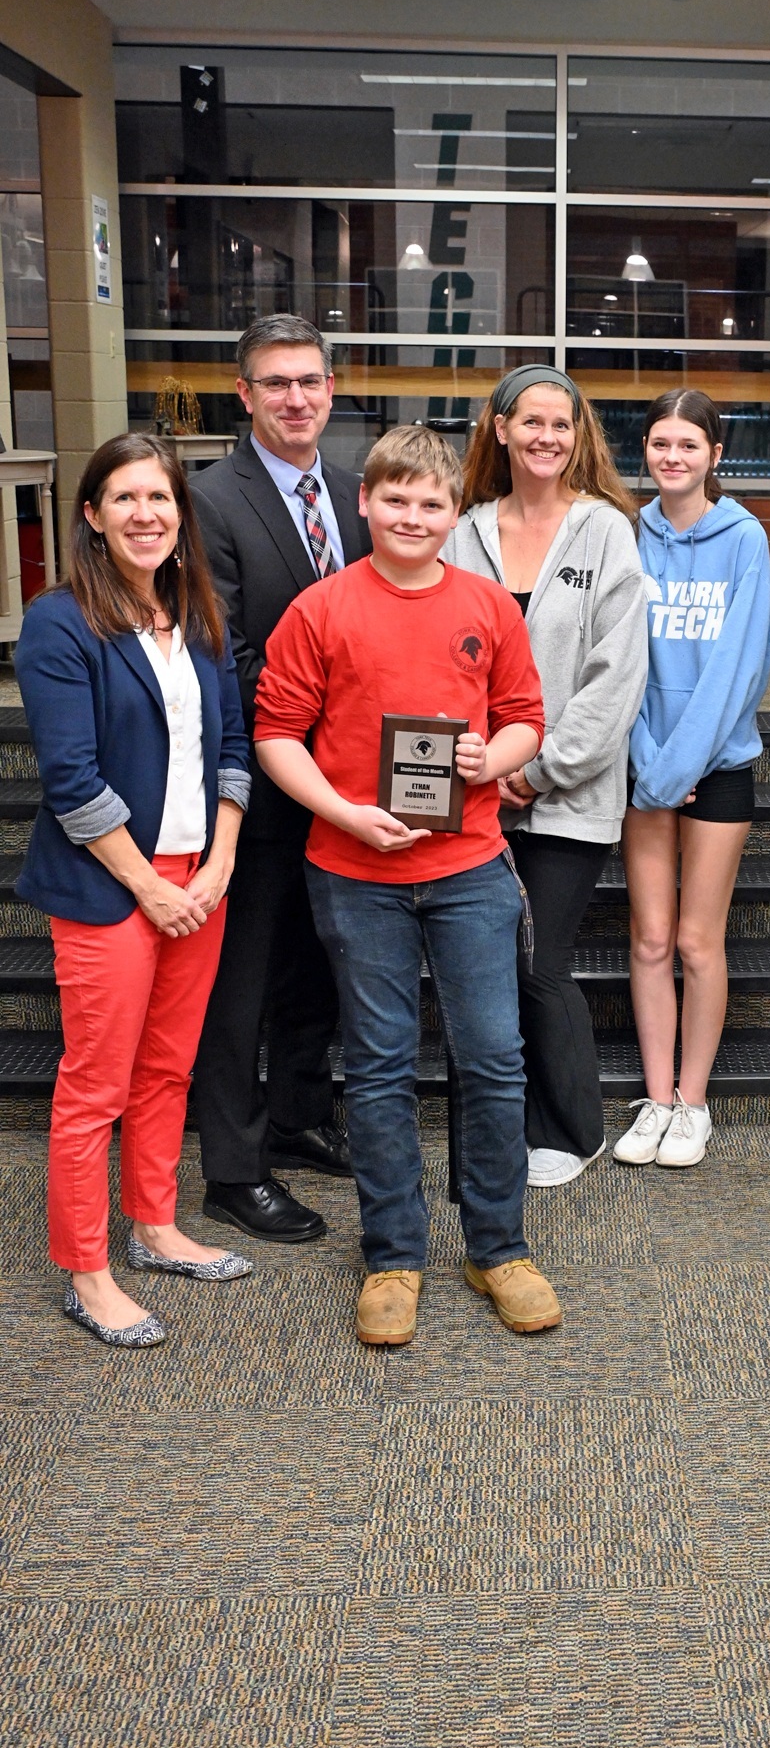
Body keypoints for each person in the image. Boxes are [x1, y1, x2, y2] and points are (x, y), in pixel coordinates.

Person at [255, 425, 561, 1347]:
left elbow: (525, 720)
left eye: (432, 504)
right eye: (396, 500)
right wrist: (345, 813)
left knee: (494, 1059)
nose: (413, 516)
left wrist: (488, 758)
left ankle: (497, 1246)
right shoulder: (320, 609)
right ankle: (393, 1256)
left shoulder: (487, 605)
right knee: (381, 1066)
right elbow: (276, 736)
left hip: (468, 868)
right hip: (355, 874)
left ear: (453, 512)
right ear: (365, 502)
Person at [15, 434, 252, 1348]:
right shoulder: (60, 621)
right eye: (125, 499)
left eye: (160, 498)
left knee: (168, 1070)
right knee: (94, 1085)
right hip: (114, 887)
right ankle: (88, 1270)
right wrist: (152, 887)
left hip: (201, 879)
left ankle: (154, 1227)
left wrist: (221, 862)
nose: (146, 515)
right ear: (92, 515)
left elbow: (231, 748)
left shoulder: (197, 614)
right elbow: (71, 779)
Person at [190, 313, 371, 1245]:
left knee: (315, 965)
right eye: (276, 384)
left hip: (339, 791)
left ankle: (300, 1117)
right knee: (242, 982)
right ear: (245, 394)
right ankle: (234, 1168)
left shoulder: (353, 492)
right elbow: (223, 648)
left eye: (310, 381)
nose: (296, 398)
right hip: (259, 785)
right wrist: (330, 723)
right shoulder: (210, 500)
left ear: (331, 390)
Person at [446, 364, 648, 1188]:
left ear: (579, 436)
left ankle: (572, 1126)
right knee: (485, 962)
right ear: (499, 428)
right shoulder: (463, 530)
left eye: (561, 425)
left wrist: (538, 768)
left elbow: (617, 675)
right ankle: (505, 1125)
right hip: (474, 792)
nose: (545, 437)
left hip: (567, 791)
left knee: (540, 963)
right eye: (530, 421)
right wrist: (481, 771)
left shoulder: (604, 531)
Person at [614, 389, 770, 1170]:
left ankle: (694, 1102)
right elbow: (616, 658)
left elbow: (740, 668)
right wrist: (648, 758)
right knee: (648, 939)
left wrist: (679, 764)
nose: (671, 458)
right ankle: (654, 1097)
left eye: (687, 445)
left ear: (716, 454)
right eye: (658, 444)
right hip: (643, 764)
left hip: (715, 767)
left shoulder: (745, 540)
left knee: (695, 940)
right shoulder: (626, 535)